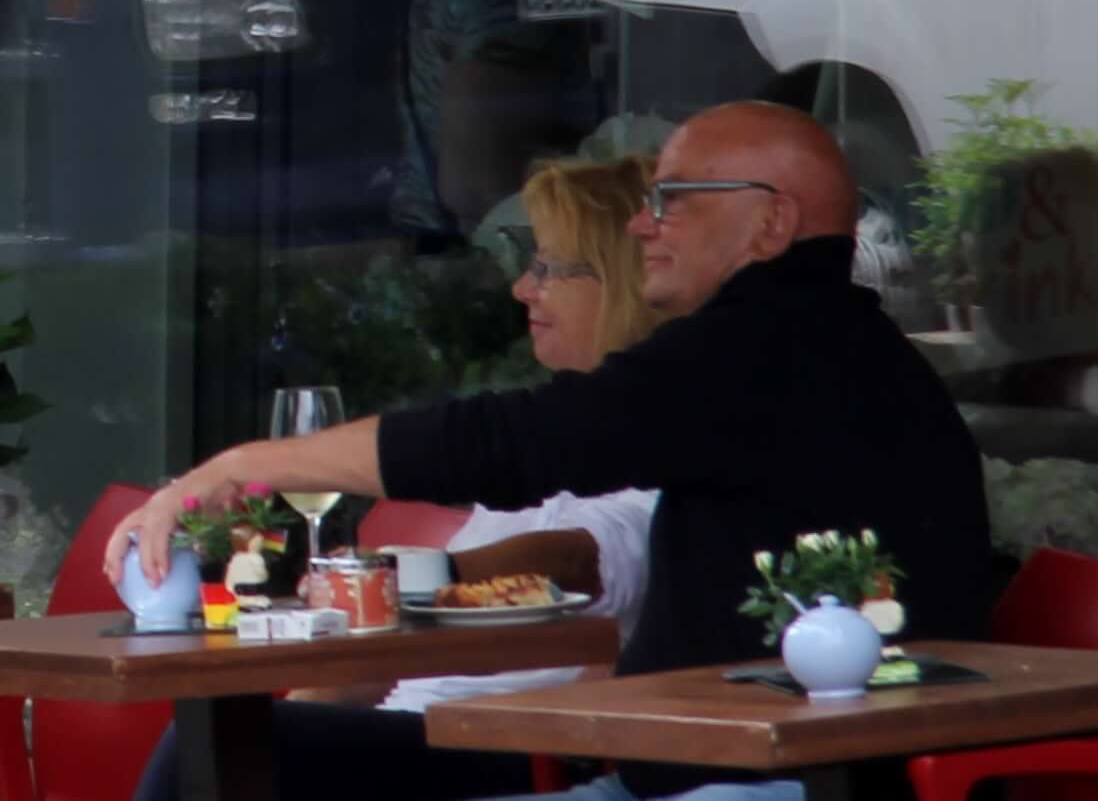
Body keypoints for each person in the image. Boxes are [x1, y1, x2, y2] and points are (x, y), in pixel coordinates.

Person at [112, 101, 996, 795]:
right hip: (690, 771)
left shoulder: (768, 348)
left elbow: (511, 446)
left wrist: (243, 467)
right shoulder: (824, 347)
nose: (645, 224)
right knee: (253, 748)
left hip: (754, 786)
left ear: (769, 224)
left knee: (245, 755)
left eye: (671, 200)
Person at [135, 154, 670, 801]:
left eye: (549, 268)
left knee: (222, 747)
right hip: (412, 734)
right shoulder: (549, 442)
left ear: (619, 281)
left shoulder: (658, 447)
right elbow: (373, 665)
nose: (522, 289)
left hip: (508, 753)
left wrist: (394, 578)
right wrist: (296, 708)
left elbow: (579, 560)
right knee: (225, 742)